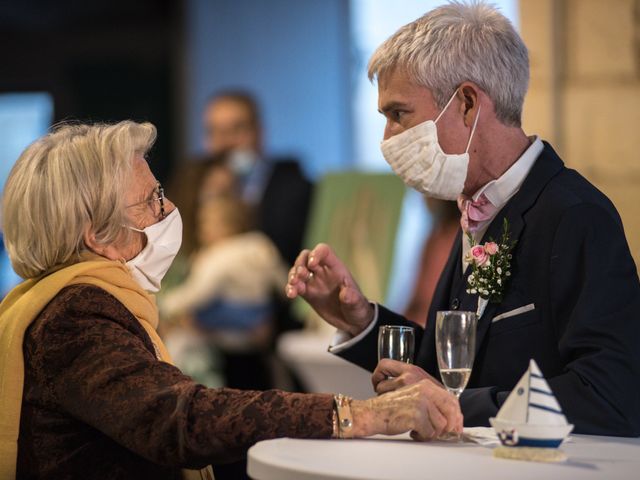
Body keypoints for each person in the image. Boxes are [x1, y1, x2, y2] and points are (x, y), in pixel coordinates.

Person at [0, 121, 462, 480]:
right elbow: (180, 420)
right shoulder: (75, 315)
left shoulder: (66, 302)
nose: (170, 211)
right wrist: (356, 414)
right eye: (153, 200)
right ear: (98, 235)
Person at [286, 2, 640, 437]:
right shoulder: (475, 206)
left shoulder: (574, 215)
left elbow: (609, 394)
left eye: (398, 114)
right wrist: (361, 320)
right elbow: (448, 366)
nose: (387, 139)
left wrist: (454, 405)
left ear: (468, 104)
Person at [161, 195, 287, 390]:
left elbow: (195, 294)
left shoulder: (217, 256)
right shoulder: (261, 246)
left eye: (206, 222)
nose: (202, 228)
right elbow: (284, 284)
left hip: (227, 350)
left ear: (225, 224)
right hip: (257, 347)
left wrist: (165, 303)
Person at [203, 90, 312, 266]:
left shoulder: (295, 191)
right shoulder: (197, 188)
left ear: (259, 132)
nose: (224, 142)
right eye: (214, 131)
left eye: (236, 129)